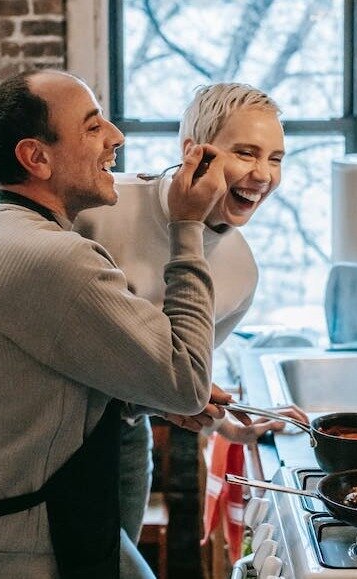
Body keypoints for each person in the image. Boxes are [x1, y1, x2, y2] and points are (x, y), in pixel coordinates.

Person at [0, 69, 232, 579]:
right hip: (23, 551)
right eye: (91, 127)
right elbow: (188, 381)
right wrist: (187, 225)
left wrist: (142, 394)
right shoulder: (53, 259)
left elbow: (26, 383)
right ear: (35, 157)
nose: (116, 137)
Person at [73, 82, 308, 554]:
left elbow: (170, 381)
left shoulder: (242, 275)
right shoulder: (100, 207)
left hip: (122, 443)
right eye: (246, 152)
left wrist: (225, 423)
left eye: (276, 158)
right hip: (50, 438)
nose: (262, 174)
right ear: (193, 152)